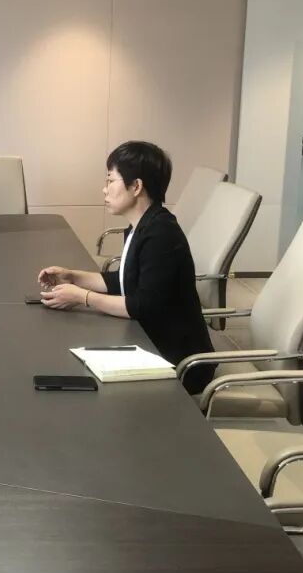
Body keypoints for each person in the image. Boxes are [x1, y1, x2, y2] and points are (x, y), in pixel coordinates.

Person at [37, 141, 215, 394]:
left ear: (136, 186)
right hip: (150, 343)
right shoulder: (142, 225)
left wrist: (83, 297)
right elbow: (125, 280)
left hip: (178, 362)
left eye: (111, 180)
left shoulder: (161, 234)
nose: (104, 189)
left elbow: (142, 305)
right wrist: (73, 276)